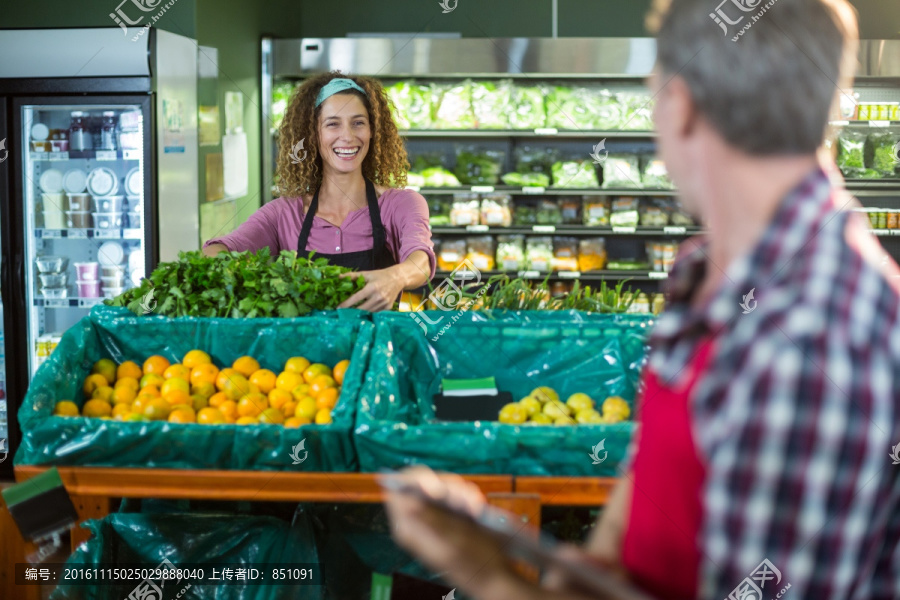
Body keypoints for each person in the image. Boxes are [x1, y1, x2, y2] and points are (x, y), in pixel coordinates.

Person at [383, 0, 900, 598]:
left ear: (680, 107)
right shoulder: (706, 270)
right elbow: (650, 496)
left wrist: (482, 573)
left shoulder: (812, 336)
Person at [203, 72, 435, 311]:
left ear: (372, 131)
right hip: (303, 348)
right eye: (333, 124)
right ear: (313, 135)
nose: (347, 136)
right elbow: (216, 250)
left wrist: (395, 277)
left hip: (378, 345)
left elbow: (421, 262)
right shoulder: (284, 213)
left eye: (358, 123)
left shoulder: (400, 204)